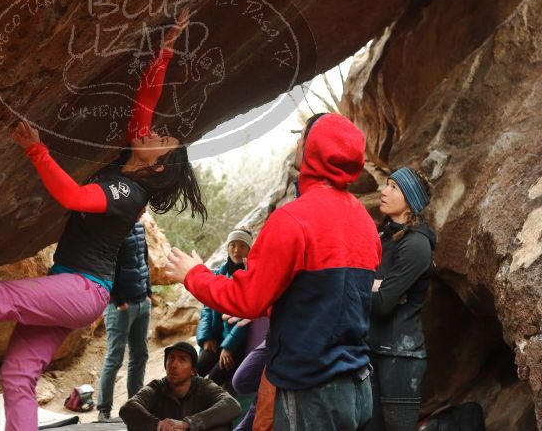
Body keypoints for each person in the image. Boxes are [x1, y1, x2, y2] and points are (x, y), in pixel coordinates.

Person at [0, 10, 207, 431]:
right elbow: (145, 103)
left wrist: (37, 149)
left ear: (157, 167)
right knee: (17, 376)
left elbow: (71, 195)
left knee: (2, 295)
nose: (153, 133)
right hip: (73, 290)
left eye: (161, 141)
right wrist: (166, 49)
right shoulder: (132, 165)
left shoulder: (128, 192)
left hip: (84, 290)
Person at [166, 113, 382, 431]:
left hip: (310, 388)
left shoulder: (293, 219)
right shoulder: (364, 221)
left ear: (313, 150)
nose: (296, 142)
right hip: (357, 384)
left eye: (302, 136)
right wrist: (268, 307)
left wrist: (193, 274)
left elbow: (245, 298)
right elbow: (328, 298)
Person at [366, 167, 435, 431]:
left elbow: (383, 304)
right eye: (386, 184)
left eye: (394, 187)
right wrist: (373, 285)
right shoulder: (384, 237)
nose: (384, 191)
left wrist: (362, 286)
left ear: (410, 200)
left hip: (401, 358)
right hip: (372, 351)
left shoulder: (417, 244)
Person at [96, 219, 153, 422]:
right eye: (142, 205)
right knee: (115, 358)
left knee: (140, 355)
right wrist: (118, 300)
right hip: (119, 307)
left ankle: (134, 406)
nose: (144, 210)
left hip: (141, 302)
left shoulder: (139, 226)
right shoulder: (112, 228)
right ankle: (103, 410)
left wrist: (148, 292)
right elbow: (105, 265)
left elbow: (143, 259)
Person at [119, 341, 242, 431]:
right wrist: (160, 426)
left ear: (193, 370)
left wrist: (186, 424)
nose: (173, 365)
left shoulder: (204, 386)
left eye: (182, 360)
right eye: (171, 358)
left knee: (222, 425)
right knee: (135, 421)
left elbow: (232, 405)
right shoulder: (157, 387)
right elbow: (128, 408)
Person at [196, 229, 253, 386]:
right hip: (215, 339)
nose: (236, 250)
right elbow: (207, 309)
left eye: (242, 246)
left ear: (249, 249)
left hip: (236, 344)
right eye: (233, 245)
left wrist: (229, 347)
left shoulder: (251, 277)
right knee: (194, 370)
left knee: (212, 382)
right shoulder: (217, 274)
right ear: (227, 248)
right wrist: (205, 337)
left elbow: (246, 317)